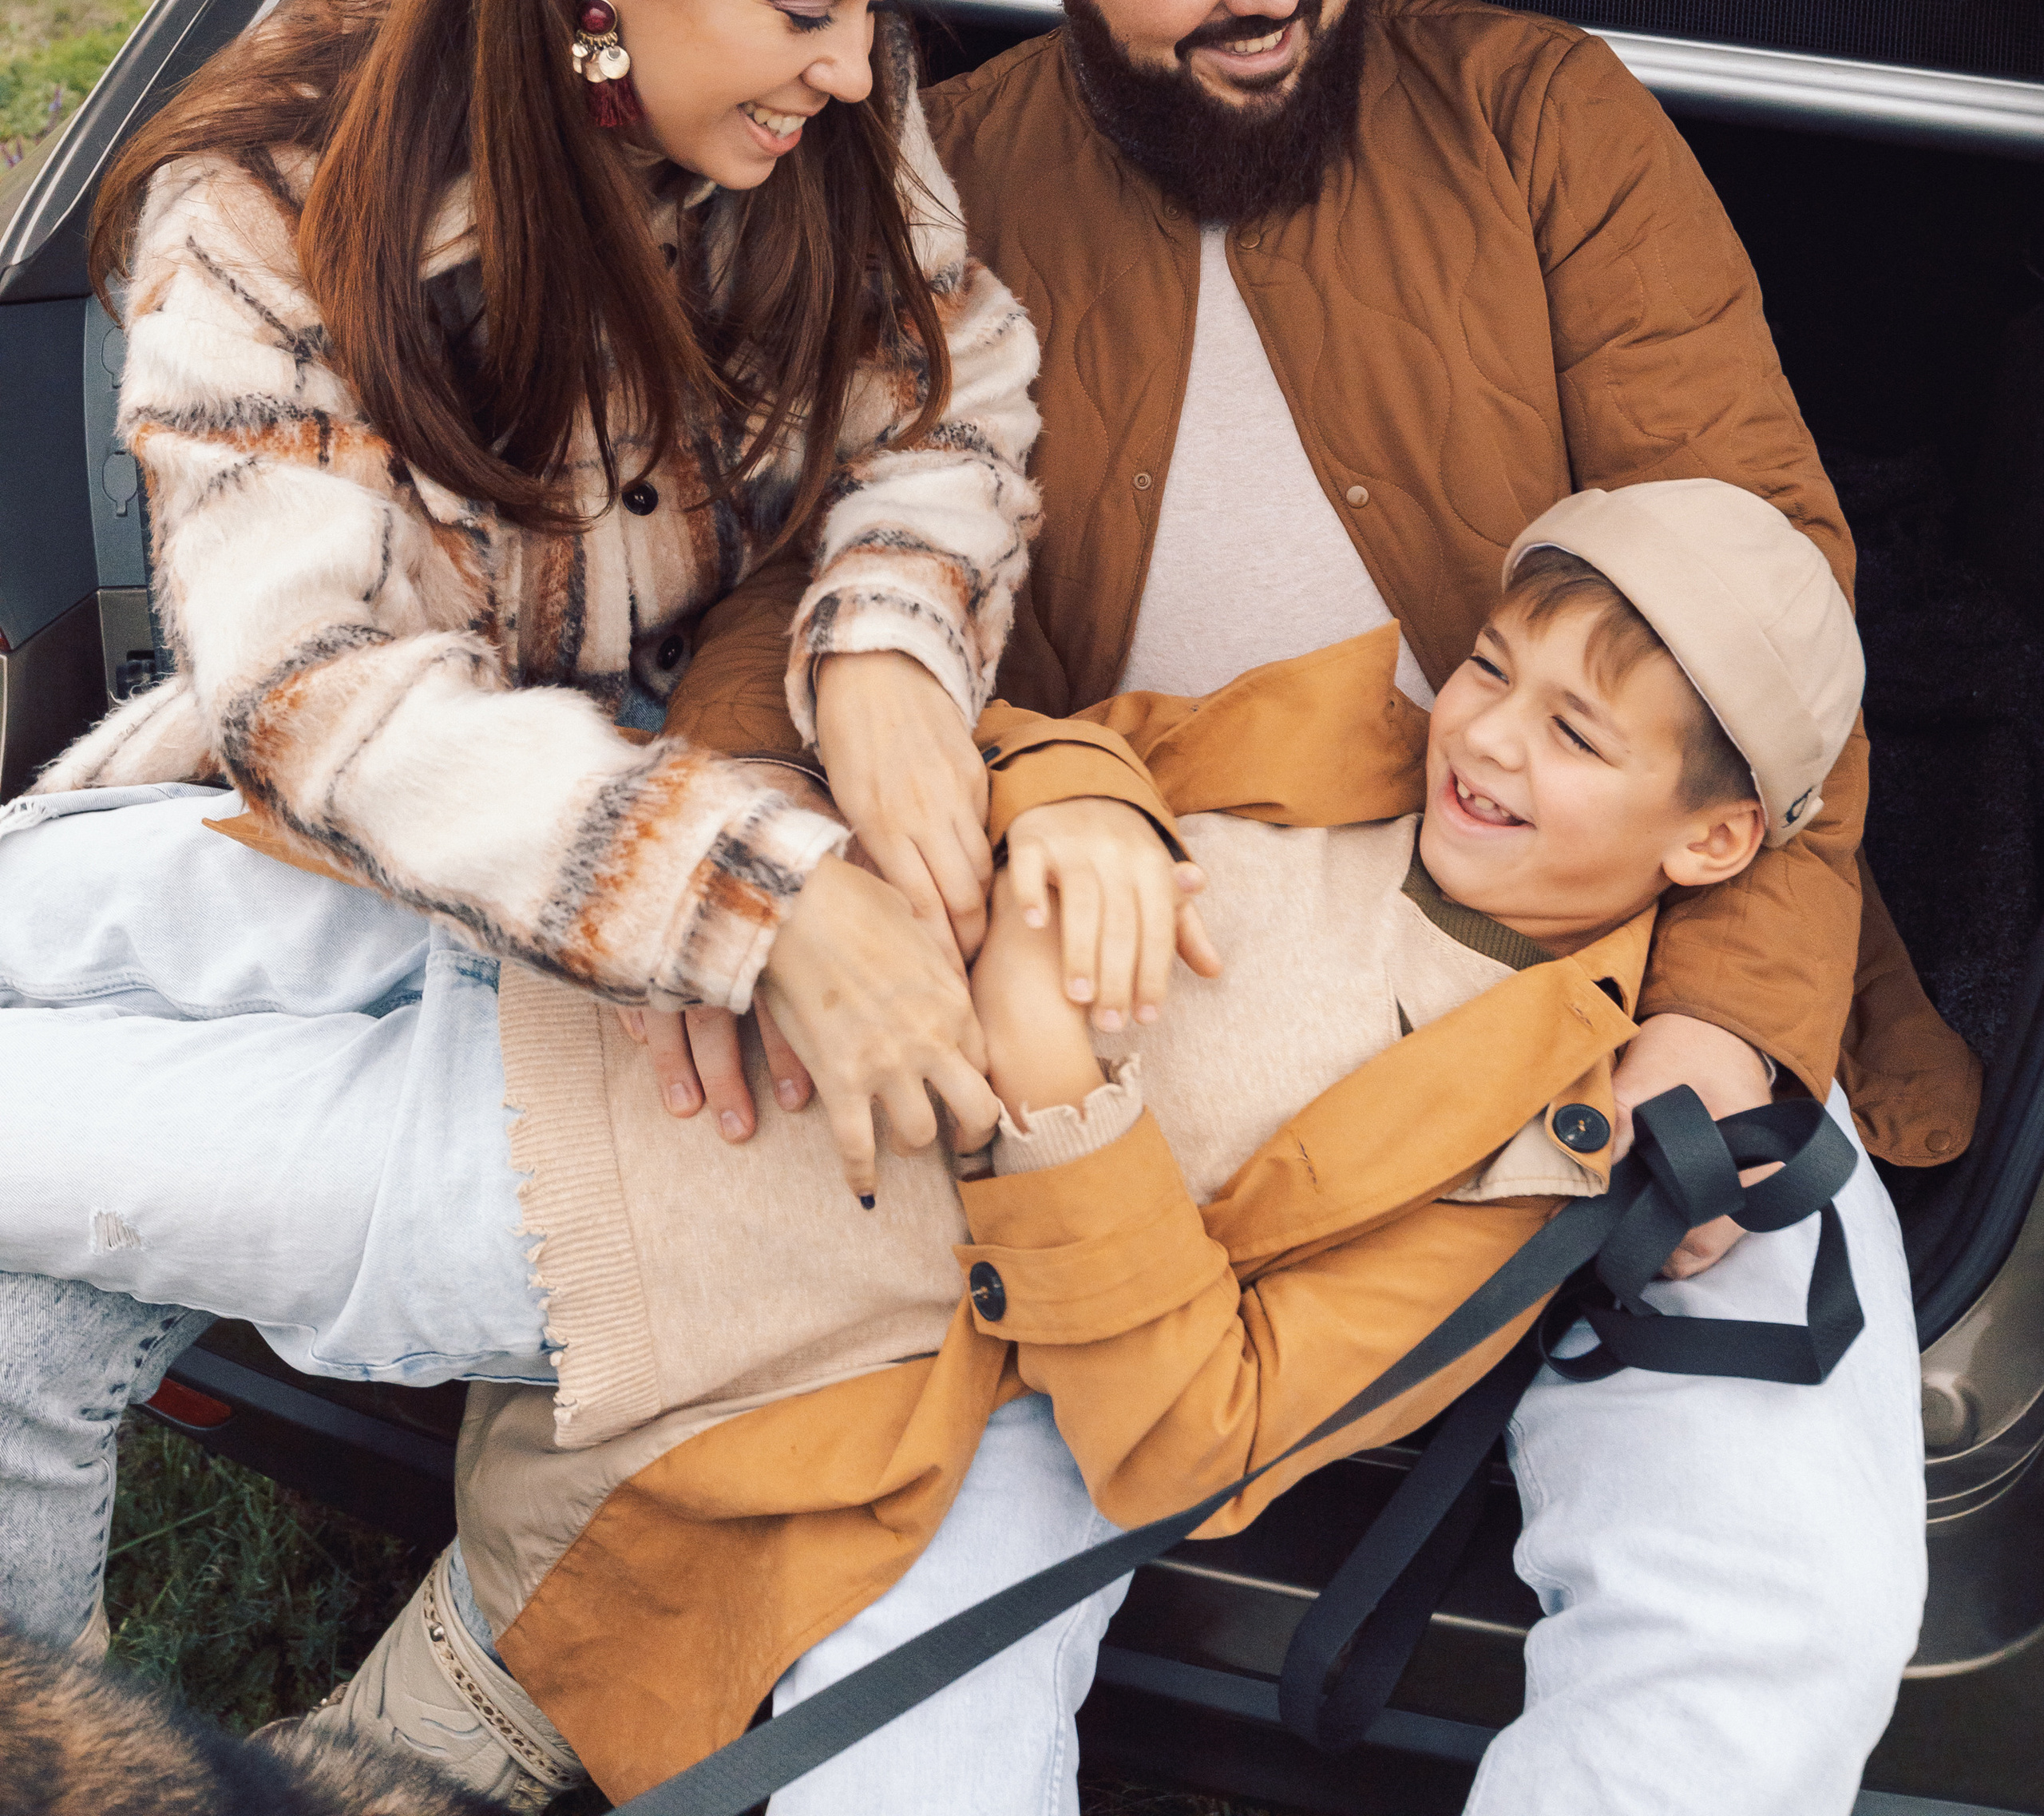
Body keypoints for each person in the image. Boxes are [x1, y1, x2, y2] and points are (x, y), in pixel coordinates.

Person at [636, 0, 1973, 1814]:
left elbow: (1766, 589)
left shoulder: (1543, 113)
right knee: (896, 1668)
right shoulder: (926, 187)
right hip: (1129, 990)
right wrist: (744, 873)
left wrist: (1728, 1029)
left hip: (1591, 961)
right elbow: (788, 594)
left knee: (1769, 1615)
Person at [0, 0, 1044, 1802]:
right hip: (354, 818)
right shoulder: (261, 196)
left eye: (876, 5)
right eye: (808, 10)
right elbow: (318, 700)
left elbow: (949, 414)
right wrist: (760, 904)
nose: (858, 71)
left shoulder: (834, 115)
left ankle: (420, 1724)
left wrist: (880, 651)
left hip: (685, 791)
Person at [422, 479, 1899, 1816]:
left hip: (1147, 1257)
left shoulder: (1543, 1116)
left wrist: (1727, 1015)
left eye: (1567, 725)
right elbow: (959, 637)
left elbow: (1763, 636)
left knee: (1762, 1621)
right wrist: (826, 817)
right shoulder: (1336, 732)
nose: (1499, 726)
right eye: (1492, 672)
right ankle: (457, 1707)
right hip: (923, 1014)